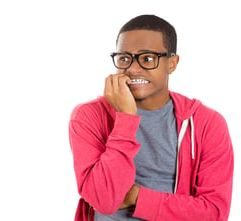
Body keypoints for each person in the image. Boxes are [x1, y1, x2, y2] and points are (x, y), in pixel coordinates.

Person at [68, 14, 234, 221]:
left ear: (172, 63)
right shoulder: (89, 116)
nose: (132, 68)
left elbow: (214, 213)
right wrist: (126, 119)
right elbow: (104, 200)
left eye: (147, 58)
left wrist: (137, 197)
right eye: (124, 58)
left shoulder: (207, 123)